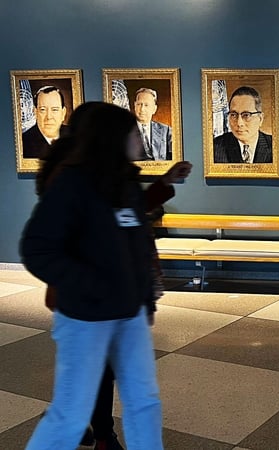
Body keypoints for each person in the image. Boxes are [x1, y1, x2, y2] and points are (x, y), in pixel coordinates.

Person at [20, 101, 164, 450]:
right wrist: (90, 284)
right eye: (132, 132)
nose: (139, 140)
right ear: (112, 137)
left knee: (144, 403)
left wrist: (144, 297)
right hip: (86, 318)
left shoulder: (125, 183)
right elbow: (37, 249)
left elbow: (137, 244)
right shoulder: (71, 185)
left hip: (129, 316)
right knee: (70, 414)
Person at [213, 86, 273, 163]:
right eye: (234, 115)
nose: (239, 123)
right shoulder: (215, 147)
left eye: (246, 115)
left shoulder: (276, 147)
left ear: (260, 119)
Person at [22, 85, 69, 159]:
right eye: (43, 110)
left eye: (54, 110)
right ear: (35, 112)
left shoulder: (74, 136)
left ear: (63, 113)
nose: (49, 117)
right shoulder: (24, 142)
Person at [132, 87, 173, 161]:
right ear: (134, 106)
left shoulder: (166, 131)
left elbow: (175, 158)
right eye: (139, 104)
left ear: (154, 109)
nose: (142, 109)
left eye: (146, 105)